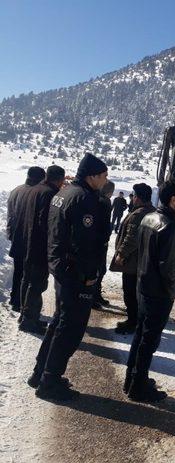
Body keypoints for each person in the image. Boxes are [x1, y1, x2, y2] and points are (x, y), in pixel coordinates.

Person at [29, 153, 108, 401]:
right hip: (75, 272)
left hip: (61, 267)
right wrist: (89, 276)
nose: (105, 181)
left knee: (59, 320)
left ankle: (40, 371)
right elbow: (85, 243)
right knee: (71, 327)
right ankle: (50, 381)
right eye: (103, 176)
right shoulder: (84, 199)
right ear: (92, 176)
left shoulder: (62, 194)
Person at [124, 180, 175, 403]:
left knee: (140, 335)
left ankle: (131, 379)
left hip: (143, 286)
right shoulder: (170, 225)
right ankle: (138, 387)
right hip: (158, 292)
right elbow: (168, 266)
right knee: (149, 341)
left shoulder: (148, 218)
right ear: (173, 200)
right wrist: (173, 290)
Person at [18, 165, 66, 334]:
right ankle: (28, 320)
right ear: (60, 179)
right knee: (37, 284)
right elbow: (46, 223)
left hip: (29, 242)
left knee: (28, 280)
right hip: (40, 246)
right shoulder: (50, 194)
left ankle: (26, 315)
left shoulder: (35, 189)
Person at [110, 183, 154, 334]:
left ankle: (132, 322)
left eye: (134, 196)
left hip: (133, 262)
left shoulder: (138, 214)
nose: (133, 198)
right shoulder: (152, 211)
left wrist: (121, 254)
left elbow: (132, 238)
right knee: (137, 293)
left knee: (130, 293)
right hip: (143, 262)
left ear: (138, 197)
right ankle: (136, 320)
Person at [7, 166, 46, 311]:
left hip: (16, 236)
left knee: (19, 270)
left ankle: (14, 298)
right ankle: (21, 303)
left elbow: (10, 215)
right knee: (27, 274)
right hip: (27, 238)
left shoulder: (17, 190)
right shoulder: (35, 193)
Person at [93, 180, 115, 309]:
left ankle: (96, 294)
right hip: (100, 242)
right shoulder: (105, 202)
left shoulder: (96, 199)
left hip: (97, 241)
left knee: (99, 270)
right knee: (99, 270)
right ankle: (94, 296)